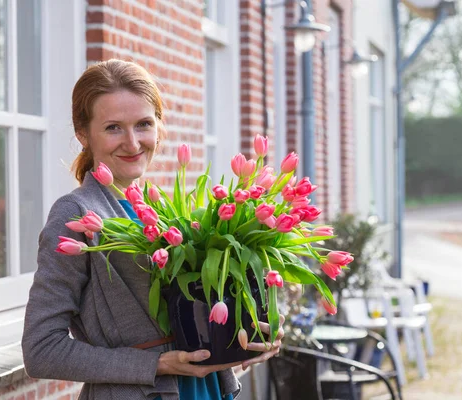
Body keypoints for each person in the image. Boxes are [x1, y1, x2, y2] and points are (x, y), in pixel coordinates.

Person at [21, 59, 284, 400]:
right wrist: (156, 364)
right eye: (113, 127)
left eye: (144, 124)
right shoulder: (76, 213)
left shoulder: (165, 212)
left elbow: (199, 314)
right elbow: (41, 350)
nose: (132, 143)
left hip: (206, 390)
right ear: (83, 134)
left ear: (159, 127)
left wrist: (249, 334)